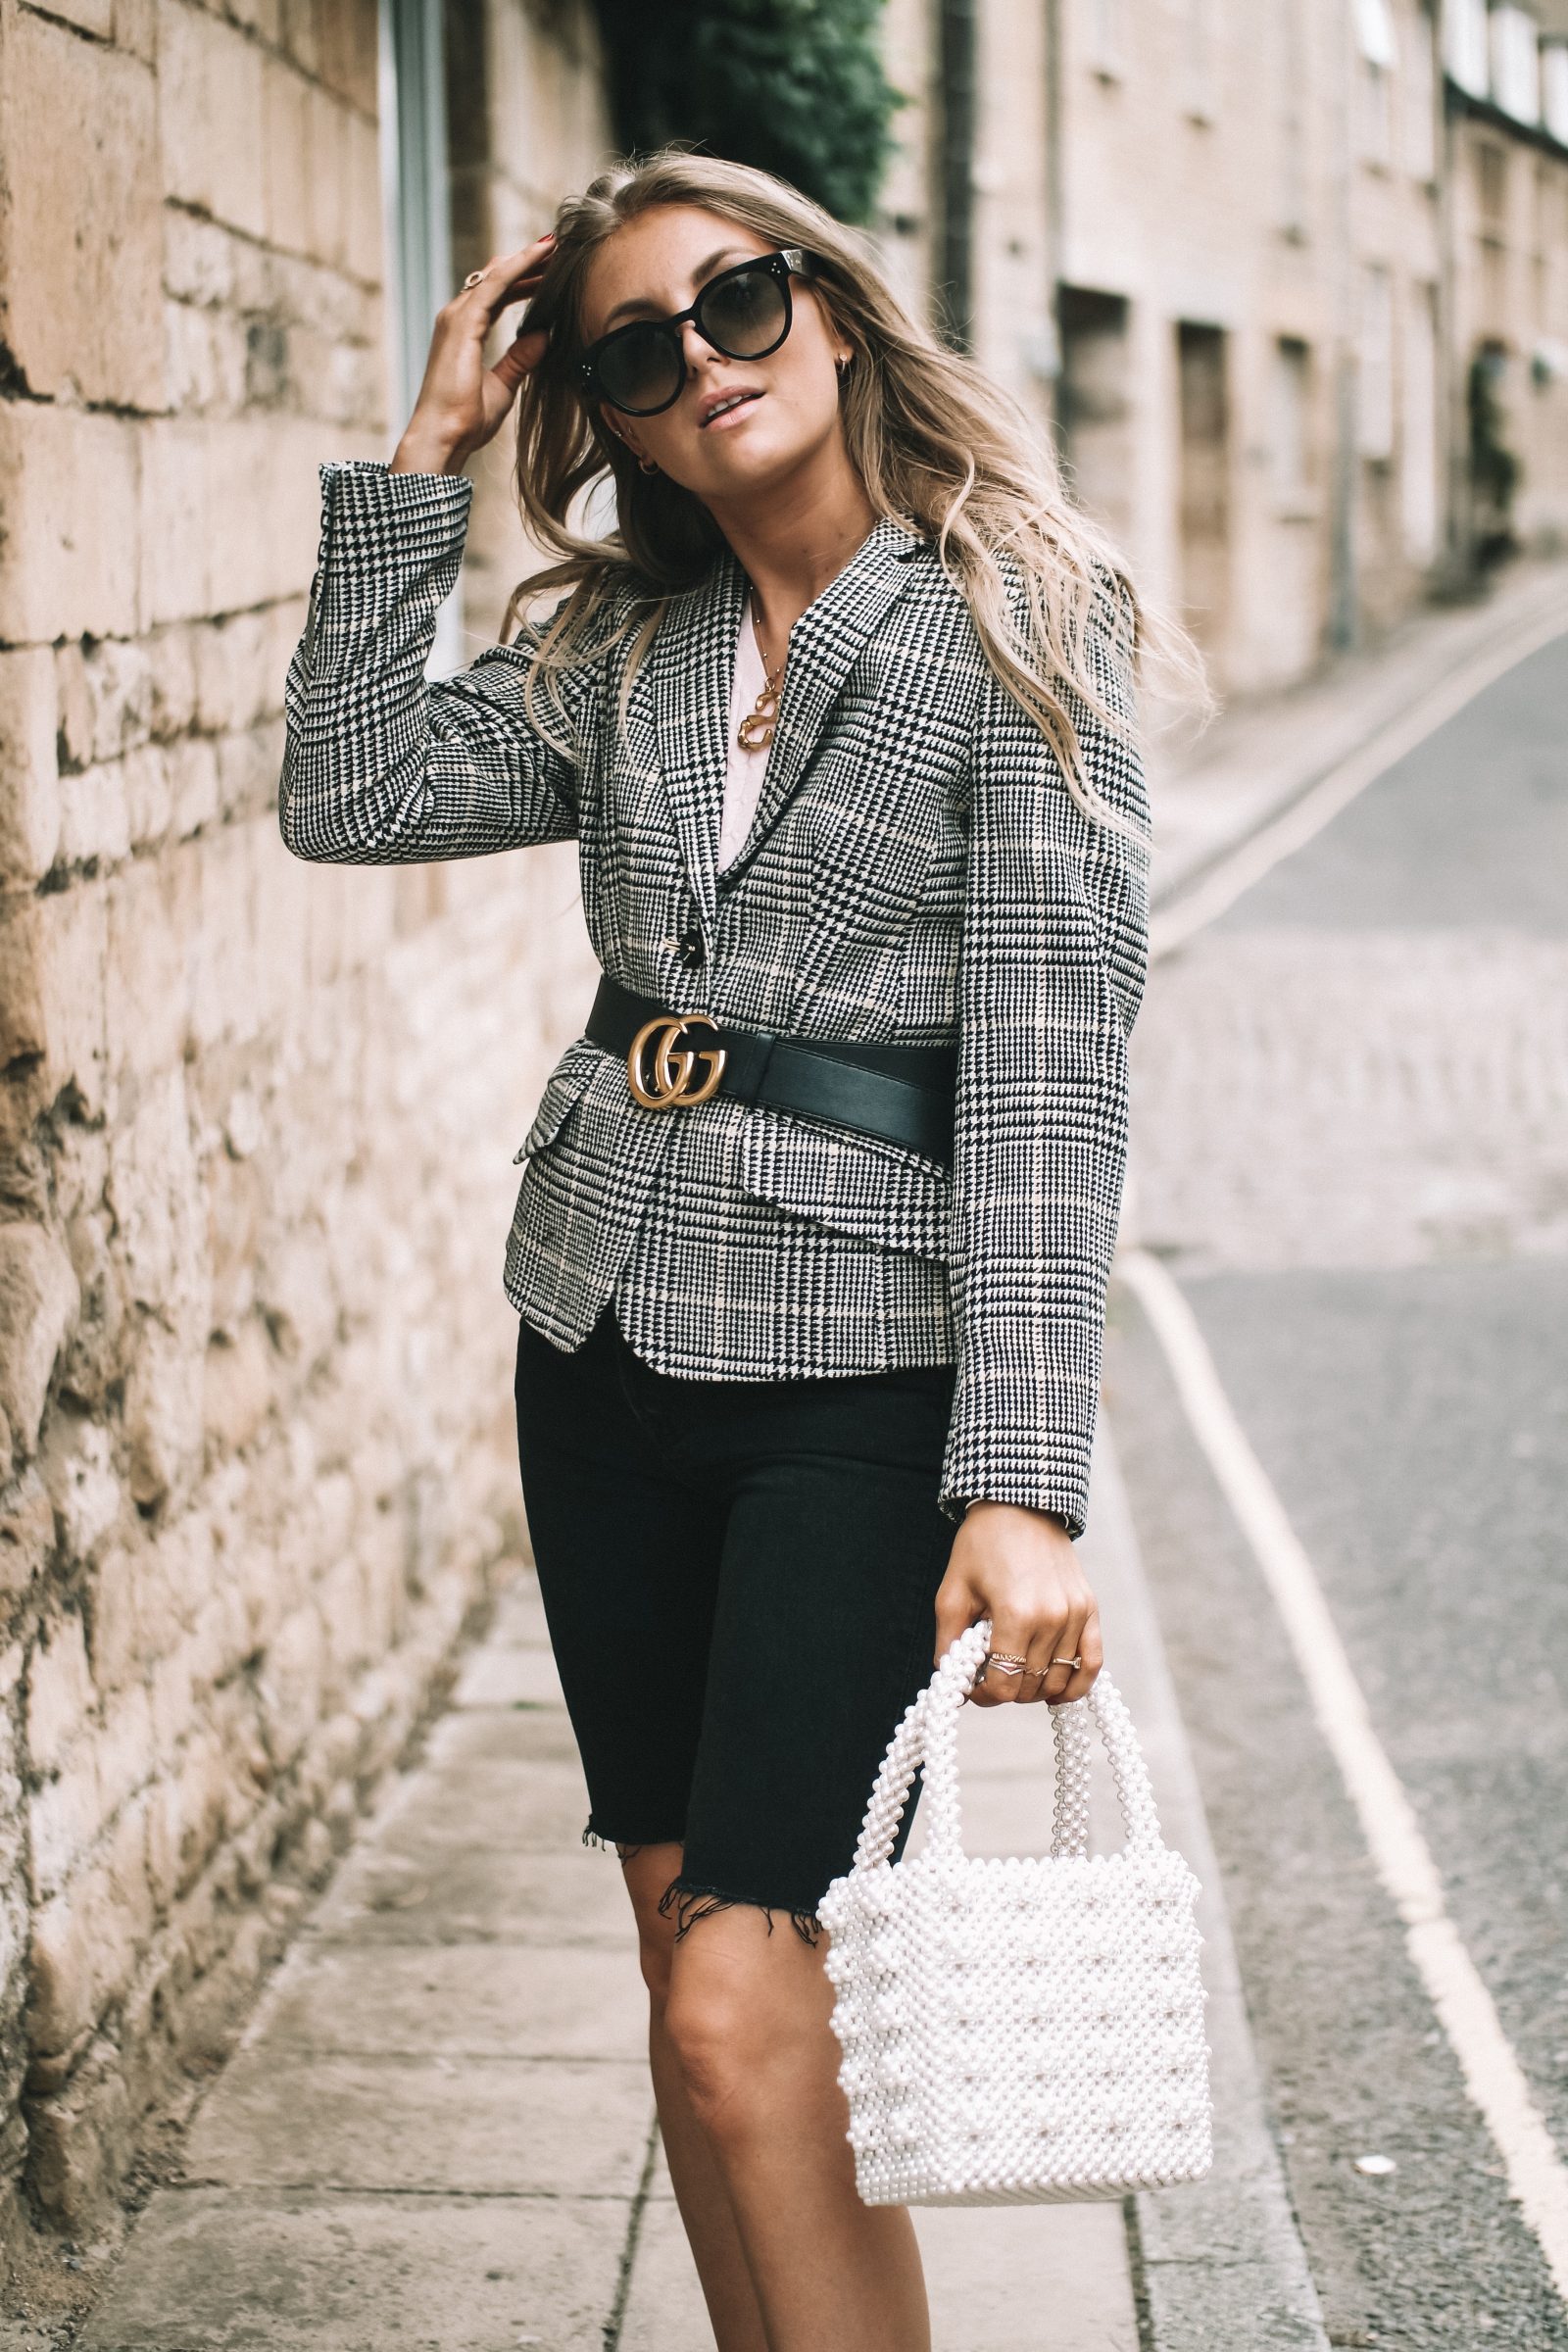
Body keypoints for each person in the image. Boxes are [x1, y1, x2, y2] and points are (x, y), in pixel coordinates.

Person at [280, 146, 1165, 2352]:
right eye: (635, 349)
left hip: (859, 1383)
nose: (701, 362)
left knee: (740, 2020)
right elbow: (348, 793)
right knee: (690, 1998)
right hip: (595, 1346)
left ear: (834, 312)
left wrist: (1019, 1478)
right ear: (607, 404)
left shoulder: (1017, 613)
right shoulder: (623, 651)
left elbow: (1049, 1071)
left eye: (739, 303)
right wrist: (420, 465)